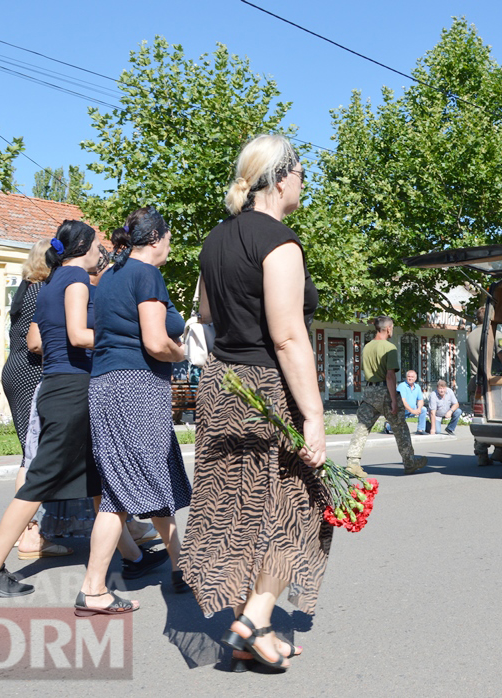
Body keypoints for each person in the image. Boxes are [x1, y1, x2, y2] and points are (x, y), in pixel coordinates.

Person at [179, 134, 325, 672]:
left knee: (238, 507)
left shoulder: (215, 240)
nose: (304, 183)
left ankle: (251, 629)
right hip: (266, 389)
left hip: (221, 384)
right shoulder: (280, 242)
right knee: (298, 503)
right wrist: (312, 416)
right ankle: (255, 615)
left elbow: (206, 311)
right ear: (282, 178)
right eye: (303, 173)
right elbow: (288, 337)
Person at [0, 220, 116, 598]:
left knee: (95, 476)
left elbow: (40, 337)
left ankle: (129, 553)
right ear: (83, 246)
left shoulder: (48, 283)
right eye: (97, 244)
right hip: (71, 388)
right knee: (39, 480)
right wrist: (124, 340)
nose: (102, 251)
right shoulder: (77, 281)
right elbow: (80, 335)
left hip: (55, 385)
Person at [77, 206, 193, 615]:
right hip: (136, 384)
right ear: (157, 238)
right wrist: (186, 354)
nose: (169, 246)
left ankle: (181, 565)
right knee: (133, 485)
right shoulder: (147, 274)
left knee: (138, 481)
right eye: (169, 238)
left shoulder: (108, 276)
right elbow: (156, 342)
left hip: (105, 384)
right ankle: (93, 588)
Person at [2, 240, 72, 559]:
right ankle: (29, 534)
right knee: (31, 455)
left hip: (16, 369)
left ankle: (37, 529)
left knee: (33, 452)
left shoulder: (26, 287)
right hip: (30, 371)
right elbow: (37, 342)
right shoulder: (41, 289)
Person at [346, 316, 428, 475]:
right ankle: (409, 462)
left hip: (369, 391)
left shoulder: (367, 347)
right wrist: (393, 401)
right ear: (388, 328)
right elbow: (390, 375)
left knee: (362, 427)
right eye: (393, 327)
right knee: (400, 427)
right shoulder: (389, 348)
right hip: (384, 391)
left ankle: (352, 462)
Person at [466, 306, 502, 466]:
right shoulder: (495, 334)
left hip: (476, 382)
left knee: (481, 418)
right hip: (495, 383)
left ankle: (481, 455)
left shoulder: (470, 336)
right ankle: (499, 451)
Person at [393, 369, 427, 435]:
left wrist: (419, 408)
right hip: (402, 411)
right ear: (406, 377)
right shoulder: (402, 386)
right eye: (409, 376)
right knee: (396, 429)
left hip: (412, 410)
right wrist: (412, 411)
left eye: (412, 377)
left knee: (423, 409)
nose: (410, 378)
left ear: (415, 378)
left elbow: (420, 400)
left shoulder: (417, 387)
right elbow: (403, 401)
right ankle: (388, 426)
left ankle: (421, 429)